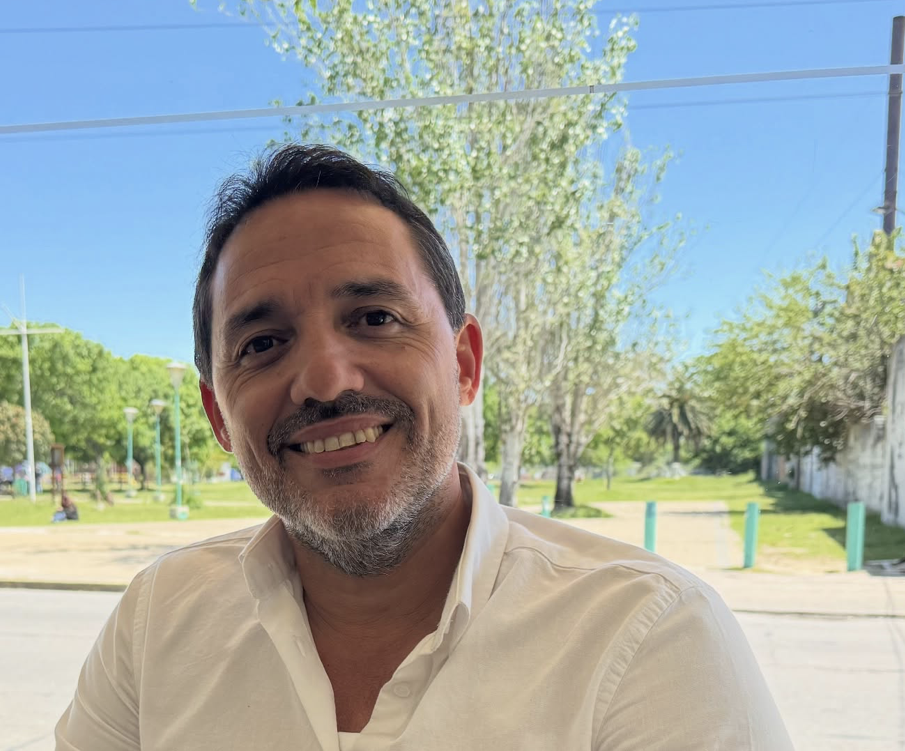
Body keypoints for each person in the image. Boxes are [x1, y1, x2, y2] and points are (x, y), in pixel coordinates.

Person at [56, 144, 793, 750]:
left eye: (374, 317)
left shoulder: (646, 635)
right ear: (219, 416)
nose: (324, 380)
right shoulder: (158, 622)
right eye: (263, 343)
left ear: (464, 364)